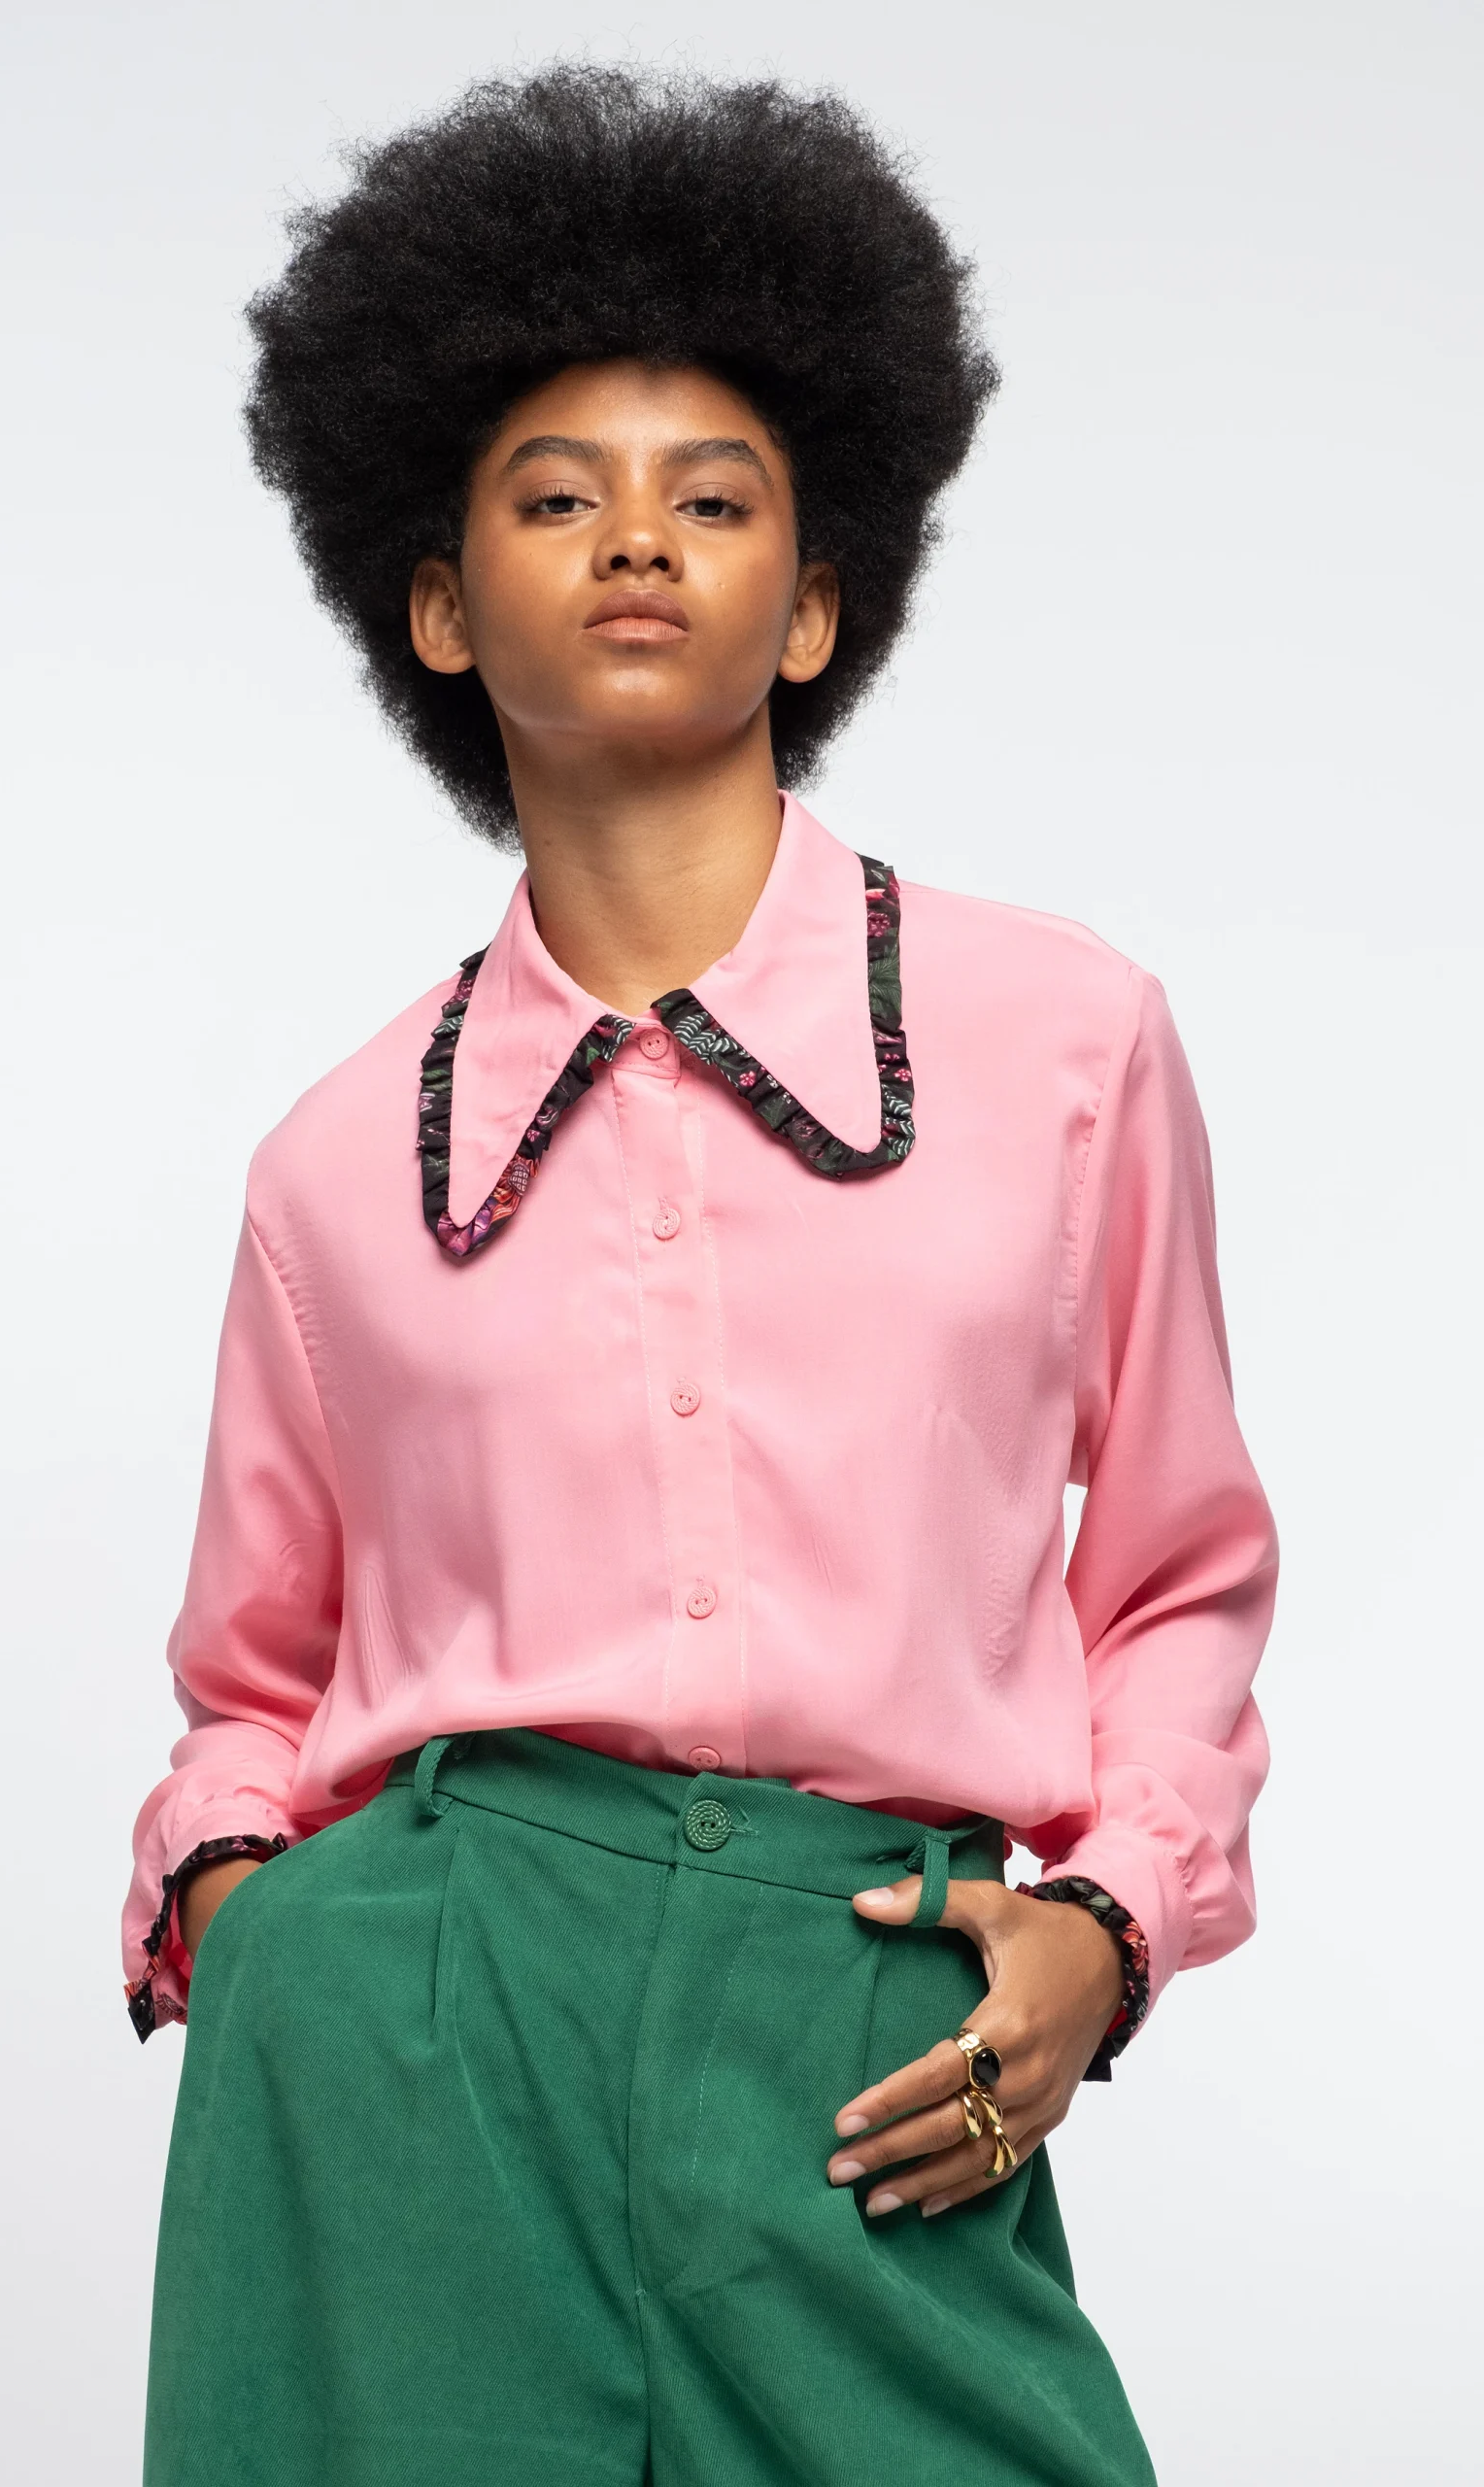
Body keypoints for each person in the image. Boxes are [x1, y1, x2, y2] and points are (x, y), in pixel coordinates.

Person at [122, 63, 1277, 2487]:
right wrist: (247, 1918)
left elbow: (1174, 1573)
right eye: (555, 495)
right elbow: (251, 1675)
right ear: (438, 605)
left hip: (861, 2019)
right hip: (415, 2042)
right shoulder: (333, 1166)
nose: (634, 535)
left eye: (712, 495)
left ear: (813, 596)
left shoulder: (1062, 1043)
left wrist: (1103, 1925)